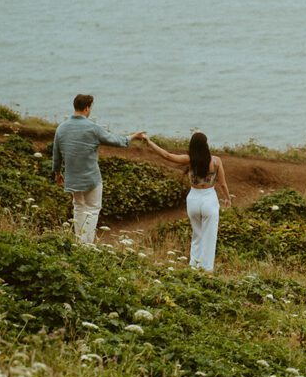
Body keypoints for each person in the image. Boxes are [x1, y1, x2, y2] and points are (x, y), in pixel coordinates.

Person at [51, 94, 143, 243]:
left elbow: (56, 154)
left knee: (79, 208)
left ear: (75, 106)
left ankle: (80, 242)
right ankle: (87, 244)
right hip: (91, 178)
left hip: (72, 179)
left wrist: (57, 173)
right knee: (93, 210)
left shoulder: (61, 128)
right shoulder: (93, 128)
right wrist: (133, 136)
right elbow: (117, 141)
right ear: (87, 108)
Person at [139, 131, 231, 272]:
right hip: (209, 199)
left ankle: (193, 266)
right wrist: (227, 198)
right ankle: (206, 269)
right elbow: (223, 184)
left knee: (197, 234)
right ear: (206, 145)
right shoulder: (216, 161)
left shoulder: (189, 159)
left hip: (194, 199)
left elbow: (167, 155)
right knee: (209, 235)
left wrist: (149, 142)